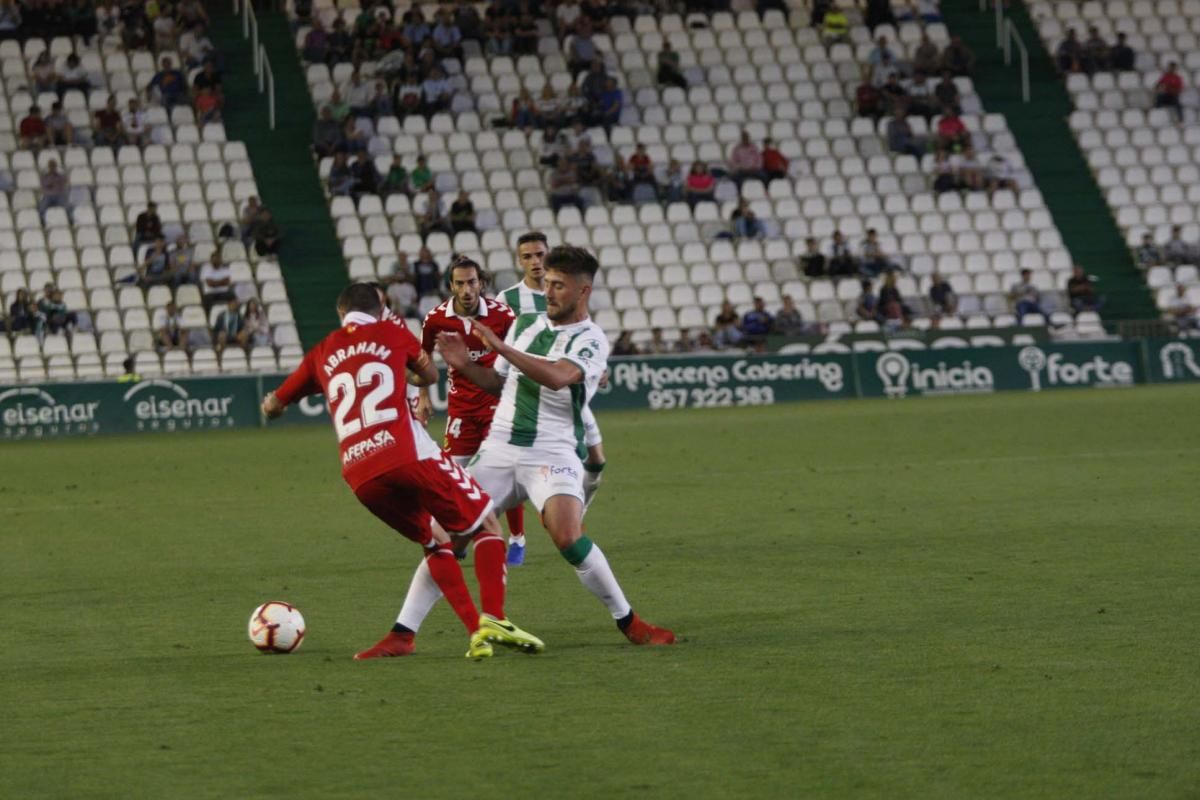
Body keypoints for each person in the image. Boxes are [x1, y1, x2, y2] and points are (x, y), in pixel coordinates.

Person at [401, 246, 675, 647]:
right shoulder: (525, 324)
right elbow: (499, 382)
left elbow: (560, 377)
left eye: (559, 285)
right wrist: (462, 366)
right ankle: (402, 634)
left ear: (583, 292)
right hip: (498, 448)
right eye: (546, 282)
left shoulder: (591, 338)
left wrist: (501, 347)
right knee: (445, 536)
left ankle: (629, 621)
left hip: (553, 449)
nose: (548, 291)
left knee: (567, 535)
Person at [262, 283, 544, 660]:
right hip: (409, 454)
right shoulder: (392, 333)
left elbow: (276, 404)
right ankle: (493, 617)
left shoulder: (322, 350)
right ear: (380, 308)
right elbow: (428, 377)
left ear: (340, 313)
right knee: (486, 523)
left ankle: (461, 634)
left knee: (435, 542)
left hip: (360, 474)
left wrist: (271, 405)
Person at [497, 232, 607, 566]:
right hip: (530, 398)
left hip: (566, 393)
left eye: (539, 254)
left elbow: (580, 336)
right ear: (520, 261)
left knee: (597, 462)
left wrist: (594, 369)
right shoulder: (509, 299)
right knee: (516, 468)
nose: (535, 262)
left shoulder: (566, 290)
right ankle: (519, 535)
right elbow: (505, 350)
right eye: (527, 256)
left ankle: (574, 513)